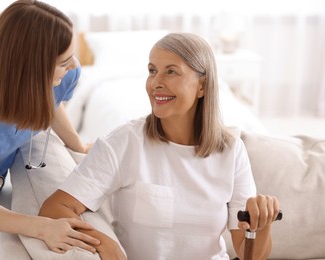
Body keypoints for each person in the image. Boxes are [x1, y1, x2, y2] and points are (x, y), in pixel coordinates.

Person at [39, 32, 281, 260]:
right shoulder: (125, 142)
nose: (156, 82)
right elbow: (55, 207)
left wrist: (263, 222)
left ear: (202, 86)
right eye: (152, 70)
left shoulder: (231, 150)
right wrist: (103, 242)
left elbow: (248, 252)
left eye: (171, 72)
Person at [0, 1, 101, 259]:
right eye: (63, 62)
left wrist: (78, 145)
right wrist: (43, 228)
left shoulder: (68, 73)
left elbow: (51, 103)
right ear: (30, 67)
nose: (73, 66)